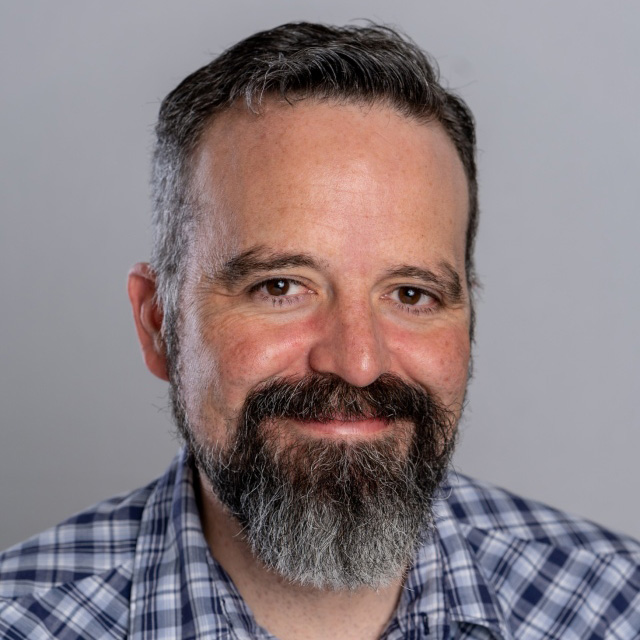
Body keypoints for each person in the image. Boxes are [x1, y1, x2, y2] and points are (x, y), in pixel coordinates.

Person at [0, 22, 638, 640]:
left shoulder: (617, 607)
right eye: (280, 287)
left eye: (411, 294)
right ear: (159, 324)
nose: (358, 362)